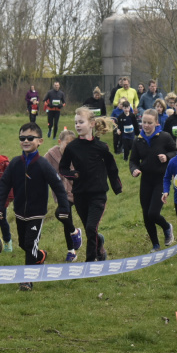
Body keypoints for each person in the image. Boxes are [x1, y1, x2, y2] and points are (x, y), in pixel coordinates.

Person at [0, 123, 71, 291]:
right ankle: (40, 255)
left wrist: (64, 208)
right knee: (24, 244)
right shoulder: (15, 163)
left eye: (30, 138)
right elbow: (4, 185)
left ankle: (27, 279)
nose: (26, 141)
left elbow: (58, 186)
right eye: (22, 138)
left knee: (30, 243)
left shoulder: (43, 164)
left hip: (37, 214)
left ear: (40, 141)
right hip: (20, 213)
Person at [59, 107, 123, 262]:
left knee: (90, 227)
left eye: (81, 122)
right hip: (80, 194)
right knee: (90, 230)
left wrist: (117, 186)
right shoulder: (72, 147)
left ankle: (90, 262)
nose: (77, 125)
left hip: (98, 194)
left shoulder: (101, 147)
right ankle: (99, 245)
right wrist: (72, 174)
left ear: (92, 124)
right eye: (76, 122)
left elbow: (112, 167)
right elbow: (63, 168)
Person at [129, 109, 177, 252]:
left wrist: (167, 157)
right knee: (146, 214)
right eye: (144, 122)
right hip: (146, 180)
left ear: (156, 123)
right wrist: (134, 170)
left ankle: (167, 227)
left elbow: (176, 151)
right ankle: (155, 245)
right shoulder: (138, 140)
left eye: (149, 123)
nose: (146, 125)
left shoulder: (164, 137)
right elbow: (133, 160)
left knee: (153, 213)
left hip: (161, 179)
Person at [44, 129, 83, 262]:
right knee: (64, 216)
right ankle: (71, 250)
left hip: (76, 191)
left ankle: (77, 234)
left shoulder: (76, 155)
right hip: (61, 193)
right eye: (67, 144)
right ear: (60, 142)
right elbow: (42, 167)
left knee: (62, 214)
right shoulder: (50, 156)